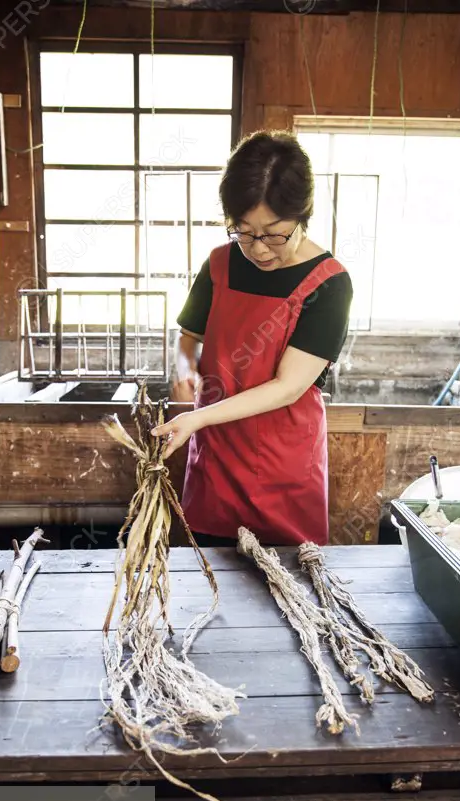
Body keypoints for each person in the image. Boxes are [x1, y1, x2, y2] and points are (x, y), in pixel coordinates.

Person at [151, 130, 353, 546]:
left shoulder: (329, 284)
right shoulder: (220, 264)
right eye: (243, 231)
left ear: (303, 213)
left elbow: (288, 387)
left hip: (283, 464)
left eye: (273, 233)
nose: (258, 248)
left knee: (287, 585)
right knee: (209, 574)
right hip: (216, 455)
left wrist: (199, 417)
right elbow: (188, 337)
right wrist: (186, 370)